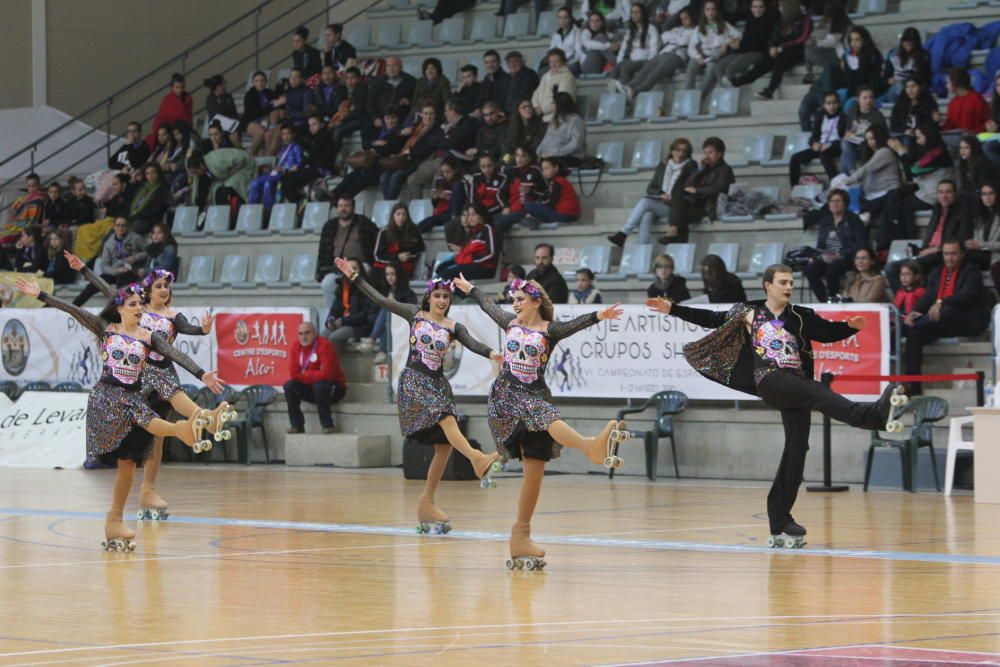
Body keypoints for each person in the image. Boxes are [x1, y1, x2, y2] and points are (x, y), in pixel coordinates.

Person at [648, 265, 897, 545]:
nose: (788, 287)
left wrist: (849, 328)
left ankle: (780, 519)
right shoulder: (749, 313)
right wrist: (673, 309)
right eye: (782, 282)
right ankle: (872, 416)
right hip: (770, 379)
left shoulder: (800, 316)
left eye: (791, 282)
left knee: (797, 447)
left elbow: (826, 332)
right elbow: (712, 318)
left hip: (795, 384)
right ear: (768, 285)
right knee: (817, 392)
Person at [13, 276, 224, 551]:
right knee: (146, 420)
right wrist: (42, 295)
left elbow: (175, 354)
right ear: (120, 308)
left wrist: (201, 374)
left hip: (131, 396)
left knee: (127, 464)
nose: (139, 308)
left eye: (140, 304)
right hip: (107, 397)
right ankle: (184, 429)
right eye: (133, 304)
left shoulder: (149, 337)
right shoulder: (107, 329)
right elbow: (72, 310)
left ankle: (114, 520)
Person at [453, 271, 625, 567]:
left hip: (533, 395)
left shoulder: (549, 330)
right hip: (506, 396)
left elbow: (576, 324)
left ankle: (520, 536)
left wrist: (600, 314)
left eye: (520, 299)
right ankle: (589, 447)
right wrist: (471, 288)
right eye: (513, 300)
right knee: (545, 414)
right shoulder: (509, 323)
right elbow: (486, 305)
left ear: (535, 301)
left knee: (535, 469)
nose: (514, 304)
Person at [341, 259, 501, 531]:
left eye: (446, 296)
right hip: (415, 380)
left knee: (445, 446)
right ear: (429, 297)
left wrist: (491, 353)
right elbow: (380, 299)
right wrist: (355, 276)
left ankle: (426, 502)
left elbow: (473, 343)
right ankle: (476, 458)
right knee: (447, 420)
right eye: (437, 295)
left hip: (437, 383)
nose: (441, 300)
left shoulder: (453, 326)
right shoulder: (415, 314)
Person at [69, 260, 223, 519]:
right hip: (139, 376)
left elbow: (186, 333)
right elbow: (105, 287)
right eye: (159, 285)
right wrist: (82, 268)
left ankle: (149, 488)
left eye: (167, 286)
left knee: (158, 431)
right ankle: (204, 418)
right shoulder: (135, 307)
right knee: (155, 426)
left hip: (163, 371)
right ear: (147, 290)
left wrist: (203, 330)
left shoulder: (174, 316)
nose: (164, 289)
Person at [902, 241, 988, 393]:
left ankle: (906, 326)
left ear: (961, 254)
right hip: (938, 322)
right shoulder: (937, 272)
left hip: (964, 320)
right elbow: (928, 297)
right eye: (946, 254)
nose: (949, 258)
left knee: (946, 311)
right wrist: (913, 312)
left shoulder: (971, 271)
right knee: (914, 334)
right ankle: (913, 385)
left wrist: (941, 302)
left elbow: (966, 297)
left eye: (953, 254)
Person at [609, 138, 696, 248]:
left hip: (677, 207)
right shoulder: (663, 165)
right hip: (661, 202)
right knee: (646, 215)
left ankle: (624, 233)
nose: (681, 153)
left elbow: (688, 189)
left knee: (645, 201)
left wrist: (671, 197)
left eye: (684, 151)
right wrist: (661, 194)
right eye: (678, 150)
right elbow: (651, 187)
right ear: (672, 151)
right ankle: (642, 248)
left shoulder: (691, 166)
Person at [884, 180, 964, 290]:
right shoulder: (937, 210)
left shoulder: (961, 213)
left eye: (948, 192)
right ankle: (903, 299)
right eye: (941, 192)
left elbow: (959, 241)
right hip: (926, 253)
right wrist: (922, 250)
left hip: (942, 255)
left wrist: (934, 249)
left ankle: (914, 300)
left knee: (910, 269)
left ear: (955, 194)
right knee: (891, 268)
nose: (944, 196)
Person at [840, 125, 910, 250]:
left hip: (887, 193)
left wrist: (847, 181)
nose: (870, 143)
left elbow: (866, 170)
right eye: (867, 140)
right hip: (873, 196)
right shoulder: (874, 154)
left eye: (872, 138)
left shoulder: (885, 152)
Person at [657, 137, 734, 244]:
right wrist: (700, 170)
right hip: (697, 203)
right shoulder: (704, 168)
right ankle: (676, 236)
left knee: (679, 215)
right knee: (678, 201)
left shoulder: (725, 170)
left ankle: (675, 236)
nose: (707, 156)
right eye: (705, 152)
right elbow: (688, 185)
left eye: (710, 152)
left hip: (711, 205)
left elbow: (718, 189)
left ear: (719, 154)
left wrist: (697, 190)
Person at [403, 98, 478, 203]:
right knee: (412, 179)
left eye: (446, 110)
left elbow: (453, 143)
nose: (445, 113)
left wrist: (445, 138)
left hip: (452, 161)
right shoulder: (448, 126)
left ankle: (436, 209)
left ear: (453, 111)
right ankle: (415, 212)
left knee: (439, 176)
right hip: (436, 158)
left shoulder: (467, 124)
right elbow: (441, 142)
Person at [802, 188, 868, 302]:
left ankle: (833, 300)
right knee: (809, 270)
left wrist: (840, 254)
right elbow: (820, 245)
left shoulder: (853, 219)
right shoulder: (825, 222)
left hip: (847, 257)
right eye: (832, 201)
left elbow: (860, 245)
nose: (835, 204)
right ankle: (824, 301)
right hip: (828, 257)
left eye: (838, 201)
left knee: (831, 270)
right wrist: (817, 256)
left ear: (845, 203)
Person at [284, 321, 347, 435]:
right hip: (312, 388)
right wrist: (316, 373)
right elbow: (294, 374)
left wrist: (304, 374)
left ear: (314, 333)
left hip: (334, 389)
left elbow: (327, 374)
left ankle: (327, 425)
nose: (304, 337)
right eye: (301, 334)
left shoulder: (325, 345)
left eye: (307, 333)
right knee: (289, 386)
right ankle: (297, 425)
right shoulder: (295, 347)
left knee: (320, 385)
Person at [317, 197, 379, 311]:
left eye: (347, 205)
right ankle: (335, 314)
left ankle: (359, 312)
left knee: (361, 279)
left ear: (353, 208)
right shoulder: (330, 225)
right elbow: (322, 251)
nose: (343, 209)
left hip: (361, 266)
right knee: (327, 284)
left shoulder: (364, 223)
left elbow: (378, 243)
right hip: (337, 268)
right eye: (340, 206)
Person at [621, 8, 695, 98]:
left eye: (686, 18)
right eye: (682, 19)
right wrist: (678, 39)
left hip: (676, 56)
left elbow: (684, 41)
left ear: (692, 17)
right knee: (645, 71)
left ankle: (635, 91)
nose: (684, 21)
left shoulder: (696, 30)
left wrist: (674, 39)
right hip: (663, 53)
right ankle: (626, 88)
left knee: (655, 74)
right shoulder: (678, 29)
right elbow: (664, 36)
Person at [73, 218, 146, 306]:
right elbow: (104, 266)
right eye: (118, 225)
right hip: (116, 271)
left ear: (127, 227)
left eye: (123, 226)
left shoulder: (136, 238)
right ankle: (74, 306)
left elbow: (148, 253)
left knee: (123, 283)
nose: (120, 228)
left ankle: (122, 311)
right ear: (114, 227)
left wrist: (135, 257)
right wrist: (117, 271)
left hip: (132, 271)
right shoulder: (109, 243)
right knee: (97, 281)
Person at [379, 104, 443, 200]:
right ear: (421, 114)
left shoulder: (437, 130)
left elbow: (427, 149)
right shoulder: (416, 127)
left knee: (397, 176)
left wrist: (410, 151)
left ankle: (389, 204)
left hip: (417, 161)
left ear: (435, 115)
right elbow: (398, 141)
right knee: (384, 177)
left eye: (431, 114)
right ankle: (387, 203)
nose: (428, 117)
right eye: (425, 114)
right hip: (404, 158)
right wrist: (401, 134)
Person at [713, 0, 776, 88]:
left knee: (731, 69)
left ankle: (731, 93)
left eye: (760, 7)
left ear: (765, 8)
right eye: (755, 7)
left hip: (757, 53)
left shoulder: (768, 21)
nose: (758, 10)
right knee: (719, 66)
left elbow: (760, 44)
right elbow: (746, 39)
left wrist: (740, 44)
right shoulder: (750, 20)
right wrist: (736, 43)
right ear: (751, 8)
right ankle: (725, 92)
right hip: (744, 51)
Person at [789, 92, 844, 186]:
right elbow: (814, 136)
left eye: (834, 103)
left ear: (839, 104)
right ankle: (794, 188)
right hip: (821, 146)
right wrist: (814, 143)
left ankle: (835, 183)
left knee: (824, 153)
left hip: (835, 147)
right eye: (829, 103)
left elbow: (845, 138)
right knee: (795, 158)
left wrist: (830, 144)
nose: (832, 106)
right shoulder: (821, 117)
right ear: (824, 105)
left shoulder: (844, 118)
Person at [684, 0, 739, 92]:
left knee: (710, 72)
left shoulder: (724, 25)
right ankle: (688, 96)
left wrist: (726, 43)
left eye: (713, 9)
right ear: (704, 12)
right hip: (702, 54)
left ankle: (699, 99)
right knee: (690, 71)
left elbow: (738, 35)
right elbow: (691, 47)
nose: (711, 12)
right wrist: (698, 57)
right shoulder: (699, 27)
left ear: (717, 11)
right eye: (708, 9)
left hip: (715, 56)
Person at [434, 204, 500, 280]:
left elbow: (491, 253)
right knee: (440, 268)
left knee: (448, 273)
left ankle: (453, 291)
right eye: (469, 215)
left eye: (473, 214)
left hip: (484, 267)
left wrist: (473, 260)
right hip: (469, 264)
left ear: (481, 216)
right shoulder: (473, 232)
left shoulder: (487, 229)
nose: (470, 218)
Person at [370, 261, 418, 363]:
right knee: (387, 315)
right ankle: (382, 351)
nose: (390, 277)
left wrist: (395, 305)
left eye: (393, 274)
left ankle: (373, 340)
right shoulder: (383, 291)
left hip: (403, 324)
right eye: (387, 274)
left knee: (388, 308)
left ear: (398, 275)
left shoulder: (408, 292)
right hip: (387, 324)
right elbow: (373, 310)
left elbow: (413, 310)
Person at [282, 114, 336, 204]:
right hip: (314, 168)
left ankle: (299, 202)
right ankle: (300, 201)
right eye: (310, 125)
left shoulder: (323, 135)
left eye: (314, 124)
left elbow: (312, 155)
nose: (312, 127)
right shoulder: (315, 137)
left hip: (320, 169)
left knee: (287, 181)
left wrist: (299, 167)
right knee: (286, 179)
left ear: (322, 125)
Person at [249, 123, 303, 210]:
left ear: (293, 134)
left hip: (285, 173)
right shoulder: (282, 148)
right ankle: (252, 209)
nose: (285, 136)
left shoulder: (297, 147)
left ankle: (268, 211)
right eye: (283, 134)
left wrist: (285, 169)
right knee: (255, 182)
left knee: (268, 184)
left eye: (288, 133)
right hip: (276, 172)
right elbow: (278, 163)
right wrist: (270, 168)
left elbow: (298, 165)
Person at [495, 145, 546, 235]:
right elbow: (500, 193)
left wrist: (531, 191)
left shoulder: (536, 171)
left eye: (523, 156)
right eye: (517, 155)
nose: (519, 159)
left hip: (526, 210)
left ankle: (495, 249)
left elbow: (545, 193)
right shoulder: (510, 171)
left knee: (498, 224)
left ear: (530, 158)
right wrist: (505, 206)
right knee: (487, 221)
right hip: (511, 209)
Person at [324, 257, 377, 344]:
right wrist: (330, 320)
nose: (351, 271)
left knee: (335, 337)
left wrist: (345, 320)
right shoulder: (342, 286)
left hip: (360, 326)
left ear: (361, 271)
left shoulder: (367, 288)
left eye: (354, 268)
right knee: (322, 336)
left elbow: (365, 315)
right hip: (343, 323)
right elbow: (334, 310)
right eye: (348, 268)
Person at [610, 3, 660, 92]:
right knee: (617, 68)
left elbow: (654, 47)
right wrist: (619, 62)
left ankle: (624, 93)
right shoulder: (630, 31)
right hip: (632, 60)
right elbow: (622, 50)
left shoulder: (651, 28)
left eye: (637, 12)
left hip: (645, 60)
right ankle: (613, 90)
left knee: (625, 68)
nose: (634, 15)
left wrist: (649, 61)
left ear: (643, 14)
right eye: (632, 12)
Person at [366, 56, 417, 141]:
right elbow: (369, 102)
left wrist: (409, 101)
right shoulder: (377, 82)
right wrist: (375, 118)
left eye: (395, 66)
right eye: (388, 66)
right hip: (381, 117)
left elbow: (418, 100)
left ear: (401, 67)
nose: (391, 69)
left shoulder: (411, 81)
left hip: (402, 118)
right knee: (366, 128)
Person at [185, 148, 257, 208]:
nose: (195, 175)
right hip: (227, 174)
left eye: (195, 172)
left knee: (229, 185)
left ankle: (244, 205)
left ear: (201, 166)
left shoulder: (216, 161)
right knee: (215, 189)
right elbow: (196, 187)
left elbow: (242, 159)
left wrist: (229, 174)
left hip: (245, 166)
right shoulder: (203, 168)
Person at [839, 87, 887, 175]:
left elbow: (882, 135)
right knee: (845, 144)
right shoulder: (852, 111)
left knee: (844, 154)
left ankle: (846, 177)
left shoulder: (878, 116)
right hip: (855, 143)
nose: (868, 100)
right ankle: (852, 173)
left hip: (870, 144)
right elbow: (848, 131)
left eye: (871, 97)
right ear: (858, 99)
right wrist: (850, 135)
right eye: (865, 98)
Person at [878, 27, 930, 105]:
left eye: (912, 45)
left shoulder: (924, 56)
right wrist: (888, 80)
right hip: (895, 88)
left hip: (915, 88)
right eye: (907, 45)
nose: (909, 48)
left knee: (908, 87)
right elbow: (886, 76)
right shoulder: (893, 55)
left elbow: (926, 78)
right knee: (899, 85)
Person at [374, 203, 427, 280]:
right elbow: (377, 256)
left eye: (404, 215)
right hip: (386, 266)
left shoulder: (413, 230)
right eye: (398, 214)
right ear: (393, 216)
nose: (401, 217)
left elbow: (421, 249)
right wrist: (397, 257)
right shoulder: (384, 232)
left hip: (405, 266)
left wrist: (410, 256)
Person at [416, 157, 466, 235]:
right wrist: (436, 197)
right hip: (443, 212)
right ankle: (411, 236)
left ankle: (412, 236)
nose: (445, 175)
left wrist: (448, 198)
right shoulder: (441, 182)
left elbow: (459, 204)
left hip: (453, 214)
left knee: (431, 221)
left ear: (455, 170)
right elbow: (435, 204)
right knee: (427, 221)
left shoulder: (459, 184)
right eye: (443, 172)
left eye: (448, 172)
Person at [889, 77, 939, 154]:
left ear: (920, 87)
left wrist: (917, 131)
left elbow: (931, 124)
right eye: (907, 87)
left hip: (922, 136)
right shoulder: (900, 104)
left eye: (913, 86)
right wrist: (905, 131)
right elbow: (893, 126)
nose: (910, 90)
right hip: (904, 136)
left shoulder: (929, 103)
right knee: (904, 139)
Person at [523, 157, 580, 225]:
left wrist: (538, 208)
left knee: (528, 205)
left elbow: (552, 203)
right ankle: (535, 219)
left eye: (547, 168)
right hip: (569, 215)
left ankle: (535, 219)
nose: (544, 172)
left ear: (556, 168)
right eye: (543, 169)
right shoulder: (559, 180)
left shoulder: (558, 182)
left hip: (564, 216)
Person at [803, 0, 849, 84]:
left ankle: (829, 70)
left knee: (810, 50)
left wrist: (817, 41)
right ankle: (809, 73)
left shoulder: (839, 23)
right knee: (808, 46)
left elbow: (832, 42)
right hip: (833, 50)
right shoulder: (833, 21)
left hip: (841, 55)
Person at [536, 93, 586, 167]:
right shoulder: (554, 119)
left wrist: (556, 153)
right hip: (550, 156)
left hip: (569, 157)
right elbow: (546, 139)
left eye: (553, 103)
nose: (551, 105)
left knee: (549, 164)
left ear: (560, 104)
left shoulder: (576, 120)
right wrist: (539, 151)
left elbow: (576, 144)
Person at [328, 66, 369, 156]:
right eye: (347, 78)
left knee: (339, 130)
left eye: (353, 78)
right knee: (332, 127)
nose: (350, 81)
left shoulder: (361, 89)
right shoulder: (350, 91)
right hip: (355, 118)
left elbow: (358, 111)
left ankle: (332, 156)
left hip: (363, 119)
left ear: (359, 79)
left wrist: (343, 120)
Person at [966, 183, 1000, 286]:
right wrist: (972, 244)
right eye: (984, 194)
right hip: (982, 255)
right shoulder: (980, 216)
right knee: (959, 256)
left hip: (996, 255)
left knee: (962, 257)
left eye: (991, 193)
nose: (987, 197)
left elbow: (982, 244)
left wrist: (981, 245)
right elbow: (977, 240)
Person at [240, 71, 280, 157]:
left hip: (266, 120)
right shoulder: (249, 94)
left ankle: (268, 156)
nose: (260, 83)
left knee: (271, 131)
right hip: (251, 120)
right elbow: (255, 112)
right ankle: (251, 155)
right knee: (260, 132)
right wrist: (270, 105)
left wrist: (274, 104)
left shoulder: (270, 92)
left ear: (266, 82)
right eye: (257, 81)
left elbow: (276, 104)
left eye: (262, 80)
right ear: (253, 82)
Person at [148, 73, 193, 151]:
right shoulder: (167, 99)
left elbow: (187, 115)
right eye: (177, 87)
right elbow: (162, 116)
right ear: (172, 87)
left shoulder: (188, 99)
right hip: (168, 128)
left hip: (183, 128)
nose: (180, 90)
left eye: (182, 87)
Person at [533, 49, 578, 124]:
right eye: (551, 62)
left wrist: (542, 109)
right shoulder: (545, 75)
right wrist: (535, 106)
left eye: (556, 61)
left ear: (563, 62)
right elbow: (536, 93)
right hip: (543, 119)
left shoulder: (567, 77)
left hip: (558, 120)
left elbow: (562, 99)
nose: (553, 64)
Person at [941, 67, 990, 134]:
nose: (946, 86)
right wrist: (941, 123)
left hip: (975, 139)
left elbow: (986, 122)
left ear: (955, 82)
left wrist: (973, 133)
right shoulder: (953, 103)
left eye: (948, 82)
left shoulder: (977, 99)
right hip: (958, 139)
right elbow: (950, 125)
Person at [956, 135, 998, 209]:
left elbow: (984, 187)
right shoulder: (963, 164)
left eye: (966, 148)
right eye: (961, 148)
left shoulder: (982, 164)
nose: (962, 151)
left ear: (974, 148)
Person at [467, 153, 509, 218]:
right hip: (477, 209)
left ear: (494, 164)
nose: (486, 170)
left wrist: (505, 207)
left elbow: (501, 196)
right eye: (483, 166)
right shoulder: (476, 178)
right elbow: (472, 197)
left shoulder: (502, 178)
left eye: (489, 166)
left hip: (494, 209)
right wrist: (472, 209)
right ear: (479, 167)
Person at [546, 7, 585, 75]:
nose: (562, 20)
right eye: (560, 18)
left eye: (565, 17)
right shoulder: (555, 35)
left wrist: (564, 63)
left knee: (564, 70)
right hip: (557, 63)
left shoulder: (577, 32)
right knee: (542, 71)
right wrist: (555, 63)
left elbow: (578, 53)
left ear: (570, 19)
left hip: (571, 63)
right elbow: (551, 52)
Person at [204, 75, 240, 146]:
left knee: (235, 131)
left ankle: (240, 151)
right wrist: (222, 97)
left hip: (230, 123)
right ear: (218, 86)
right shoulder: (211, 98)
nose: (226, 85)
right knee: (232, 134)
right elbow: (217, 114)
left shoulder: (228, 97)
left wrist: (235, 120)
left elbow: (233, 112)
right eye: (224, 83)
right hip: (217, 124)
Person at [579, 11, 619, 76]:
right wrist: (608, 45)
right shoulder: (586, 32)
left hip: (599, 65)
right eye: (592, 21)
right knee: (601, 37)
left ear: (602, 22)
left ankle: (611, 65)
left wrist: (617, 44)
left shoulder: (604, 33)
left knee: (611, 38)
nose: (594, 23)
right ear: (589, 23)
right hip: (588, 67)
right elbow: (588, 44)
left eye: (597, 21)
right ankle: (616, 63)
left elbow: (613, 37)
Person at [503, 51, 541, 117]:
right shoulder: (507, 77)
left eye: (515, 61)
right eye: (509, 62)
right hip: (508, 114)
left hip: (522, 113)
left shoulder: (529, 75)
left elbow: (524, 95)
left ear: (522, 62)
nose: (512, 64)